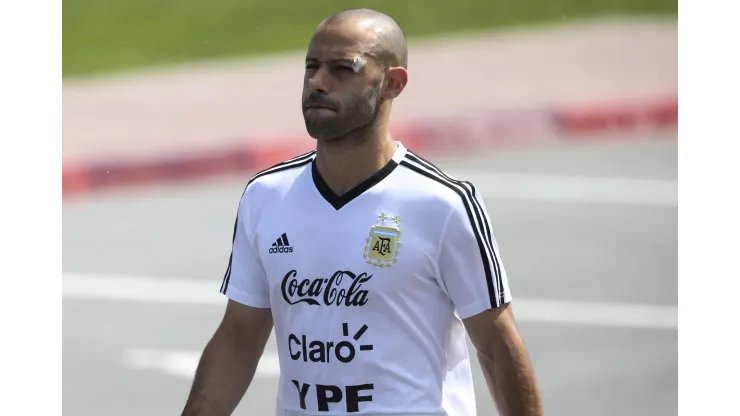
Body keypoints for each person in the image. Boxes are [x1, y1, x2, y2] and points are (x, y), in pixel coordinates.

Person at [181, 8, 543, 416]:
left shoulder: (442, 205)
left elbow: (497, 347)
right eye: (312, 67)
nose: (318, 82)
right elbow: (238, 337)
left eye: (343, 69)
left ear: (393, 83)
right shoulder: (266, 196)